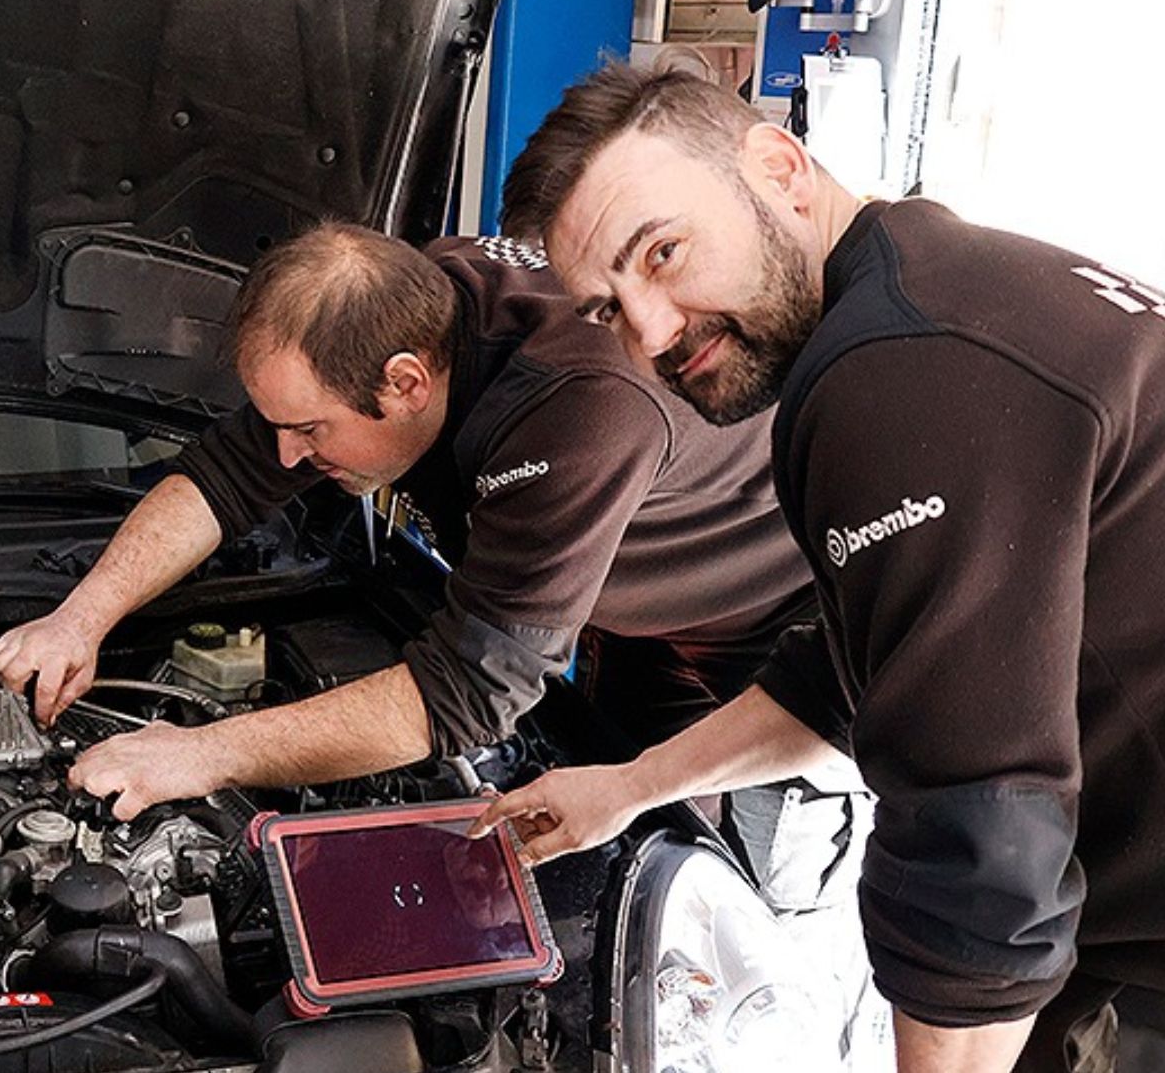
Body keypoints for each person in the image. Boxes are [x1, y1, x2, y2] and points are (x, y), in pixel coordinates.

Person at [475, 61, 1165, 1072]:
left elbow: (977, 857)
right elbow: (851, 674)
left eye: (663, 252)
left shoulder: (890, 374)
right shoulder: (938, 278)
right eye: (609, 310)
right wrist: (628, 787)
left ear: (779, 167)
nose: (653, 333)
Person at [0, 221, 832, 835]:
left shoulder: (581, 416)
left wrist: (200, 754)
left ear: (407, 382)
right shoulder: (397, 304)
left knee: (688, 858)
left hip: (755, 634)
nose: (287, 453)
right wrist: (80, 618)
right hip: (619, 589)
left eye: (310, 431)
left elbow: (466, 693)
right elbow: (227, 473)